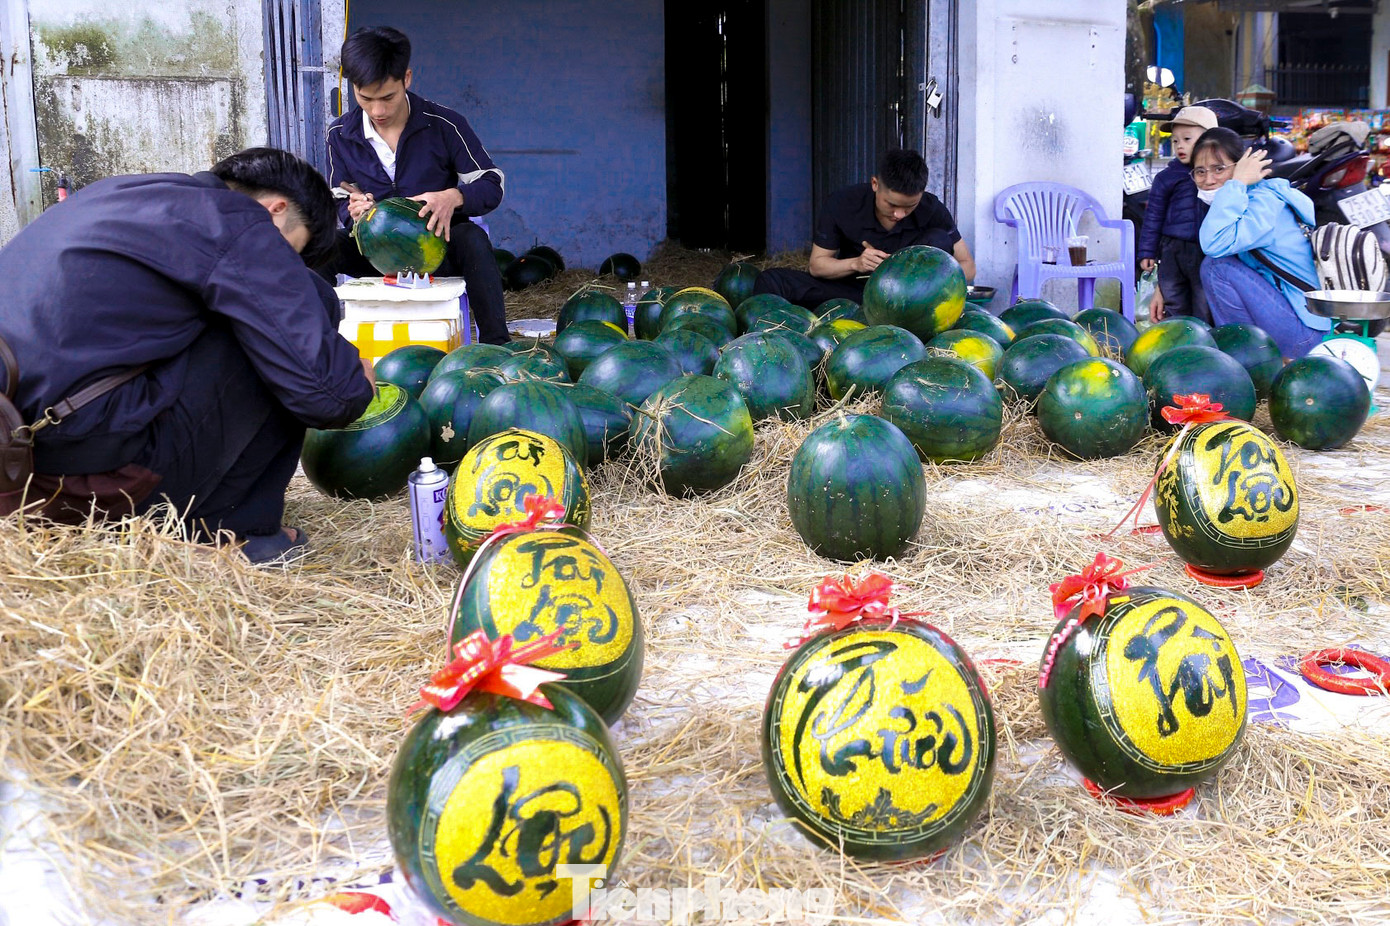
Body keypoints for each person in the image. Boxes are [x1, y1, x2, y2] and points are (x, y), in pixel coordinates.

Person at [0, 148, 375, 563]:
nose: (283, 264)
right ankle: (233, 529)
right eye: (291, 250)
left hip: (15, 467)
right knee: (309, 305)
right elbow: (326, 394)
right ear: (275, 211)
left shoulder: (124, 193)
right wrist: (354, 382)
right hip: (86, 473)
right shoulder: (240, 222)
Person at [322, 26, 511, 345]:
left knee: (473, 238)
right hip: (376, 256)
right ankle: (324, 348)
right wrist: (352, 209)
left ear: (406, 79)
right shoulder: (340, 133)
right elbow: (339, 193)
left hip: (439, 250)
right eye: (365, 98)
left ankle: (496, 346)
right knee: (318, 248)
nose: (378, 110)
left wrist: (455, 196)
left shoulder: (445, 124)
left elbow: (492, 184)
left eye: (387, 97)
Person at [752, 148, 975, 311]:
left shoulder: (932, 209)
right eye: (892, 205)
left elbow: (968, 266)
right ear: (875, 184)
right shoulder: (842, 203)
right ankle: (773, 342)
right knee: (772, 280)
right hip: (855, 292)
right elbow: (817, 266)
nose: (899, 214)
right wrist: (856, 263)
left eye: (909, 207)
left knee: (938, 239)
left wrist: (927, 281)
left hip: (911, 303)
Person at [1195, 127, 1331, 359]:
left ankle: (1244, 357)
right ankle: (1250, 354)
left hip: (1306, 335)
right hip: (1297, 321)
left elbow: (1213, 243)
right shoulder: (1251, 197)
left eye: (1219, 169)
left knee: (1216, 267)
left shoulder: (1264, 203)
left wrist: (1236, 183)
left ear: (1243, 166)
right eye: (1200, 171)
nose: (1208, 180)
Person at [1140, 105, 1217, 323]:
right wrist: (1148, 251)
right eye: (1175, 141)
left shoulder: (1217, 176)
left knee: (1204, 301)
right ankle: (1178, 337)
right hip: (1172, 250)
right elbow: (1153, 217)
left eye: (1187, 139)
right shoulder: (1167, 177)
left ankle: (1205, 342)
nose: (1179, 146)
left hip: (1205, 250)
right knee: (1174, 298)